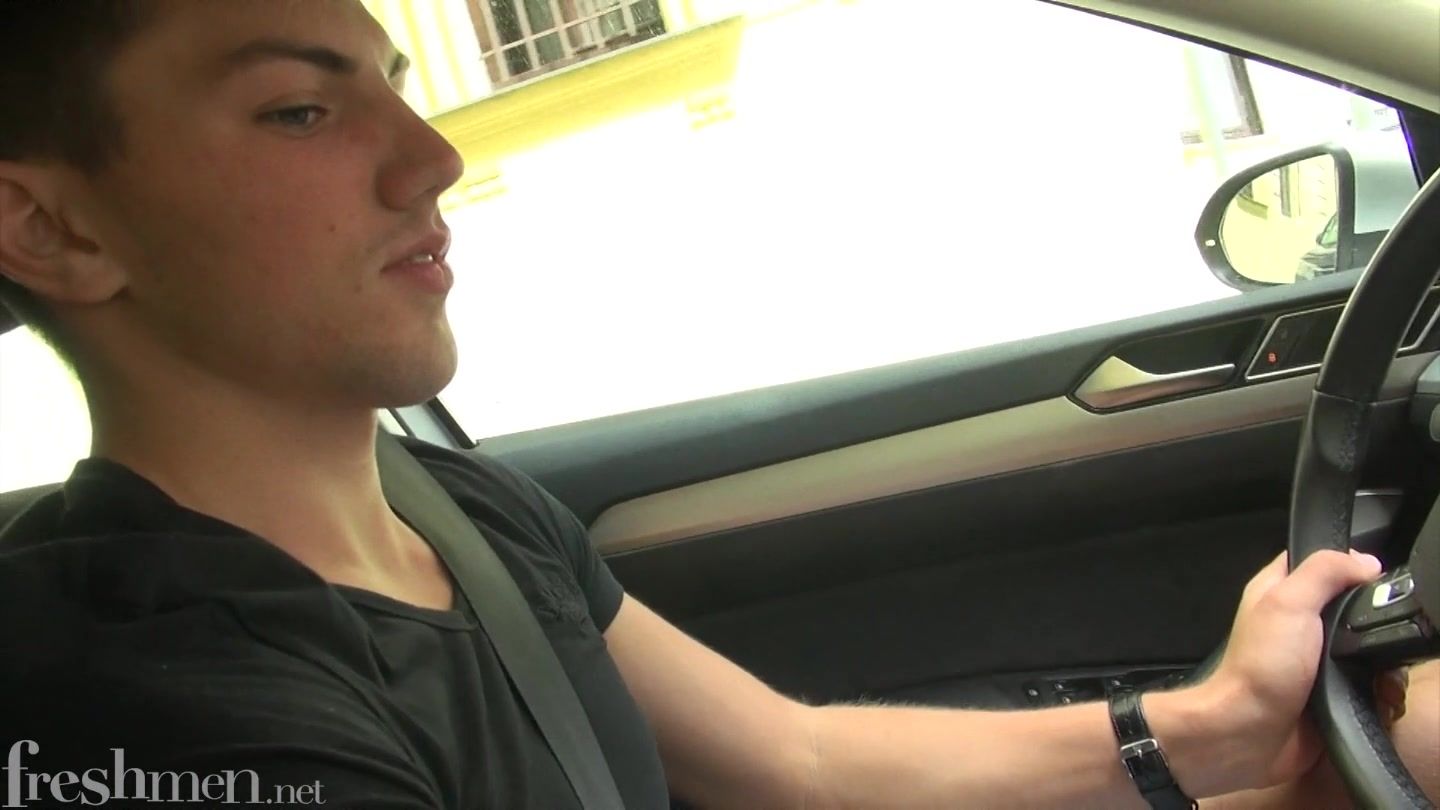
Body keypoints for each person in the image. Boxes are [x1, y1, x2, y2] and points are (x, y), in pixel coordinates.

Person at [0, 1, 1433, 808]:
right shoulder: (156, 702)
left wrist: (1213, 730)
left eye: (392, 82)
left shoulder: (451, 507)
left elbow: (796, 763)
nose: (431, 156)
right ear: (52, 229)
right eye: (300, 111)